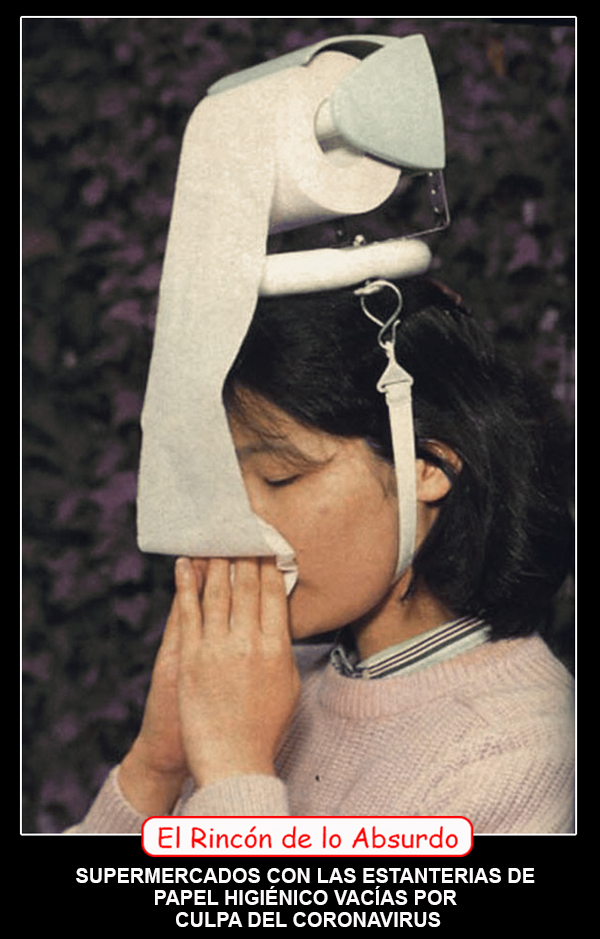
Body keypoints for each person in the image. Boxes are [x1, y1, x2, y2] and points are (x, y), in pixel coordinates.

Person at [68, 276, 574, 834]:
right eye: (227, 486)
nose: (239, 527)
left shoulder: (526, 753)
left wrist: (235, 769)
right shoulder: (272, 688)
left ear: (428, 468)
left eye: (280, 477)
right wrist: (156, 767)